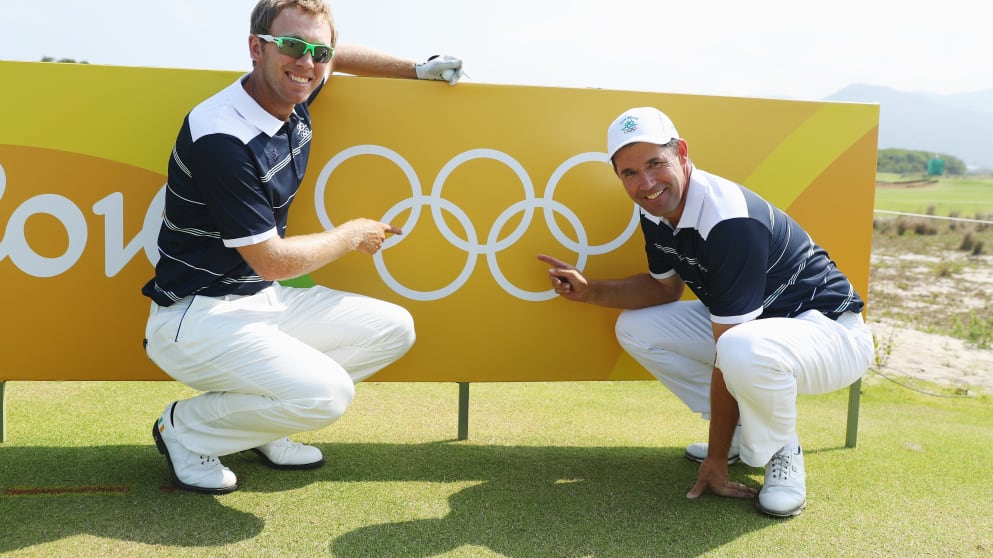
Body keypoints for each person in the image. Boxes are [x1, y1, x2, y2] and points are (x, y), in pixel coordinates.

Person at [143, 0, 464, 494]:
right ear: (256, 48)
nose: (308, 64)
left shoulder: (294, 86)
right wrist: (354, 233)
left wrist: (416, 69)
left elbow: (339, 53)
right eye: (293, 47)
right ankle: (183, 429)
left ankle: (261, 427)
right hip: (197, 317)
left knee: (392, 330)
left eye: (317, 52)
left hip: (262, 300)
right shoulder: (222, 136)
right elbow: (270, 259)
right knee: (328, 395)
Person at [538, 107, 874, 517]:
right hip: (760, 332)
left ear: (681, 152)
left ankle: (781, 451)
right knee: (636, 327)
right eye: (629, 173)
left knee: (738, 349)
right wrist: (592, 292)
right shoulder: (655, 207)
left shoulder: (728, 219)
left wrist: (712, 462)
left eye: (654, 163)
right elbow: (664, 287)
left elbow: (726, 352)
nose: (645, 183)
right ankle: (740, 436)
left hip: (831, 334)